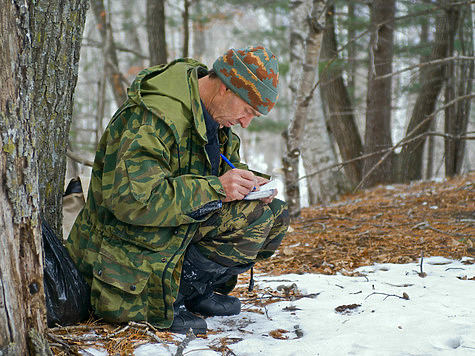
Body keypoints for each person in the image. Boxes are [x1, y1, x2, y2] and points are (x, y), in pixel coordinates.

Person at [65, 46, 290, 334]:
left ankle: (193, 291)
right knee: (251, 216)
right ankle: (164, 300)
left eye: (253, 116)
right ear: (225, 87)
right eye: (247, 111)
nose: (245, 123)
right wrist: (217, 188)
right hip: (126, 244)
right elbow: (132, 200)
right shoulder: (154, 118)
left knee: (272, 215)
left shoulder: (214, 117)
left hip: (170, 227)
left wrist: (247, 184)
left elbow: (221, 170)